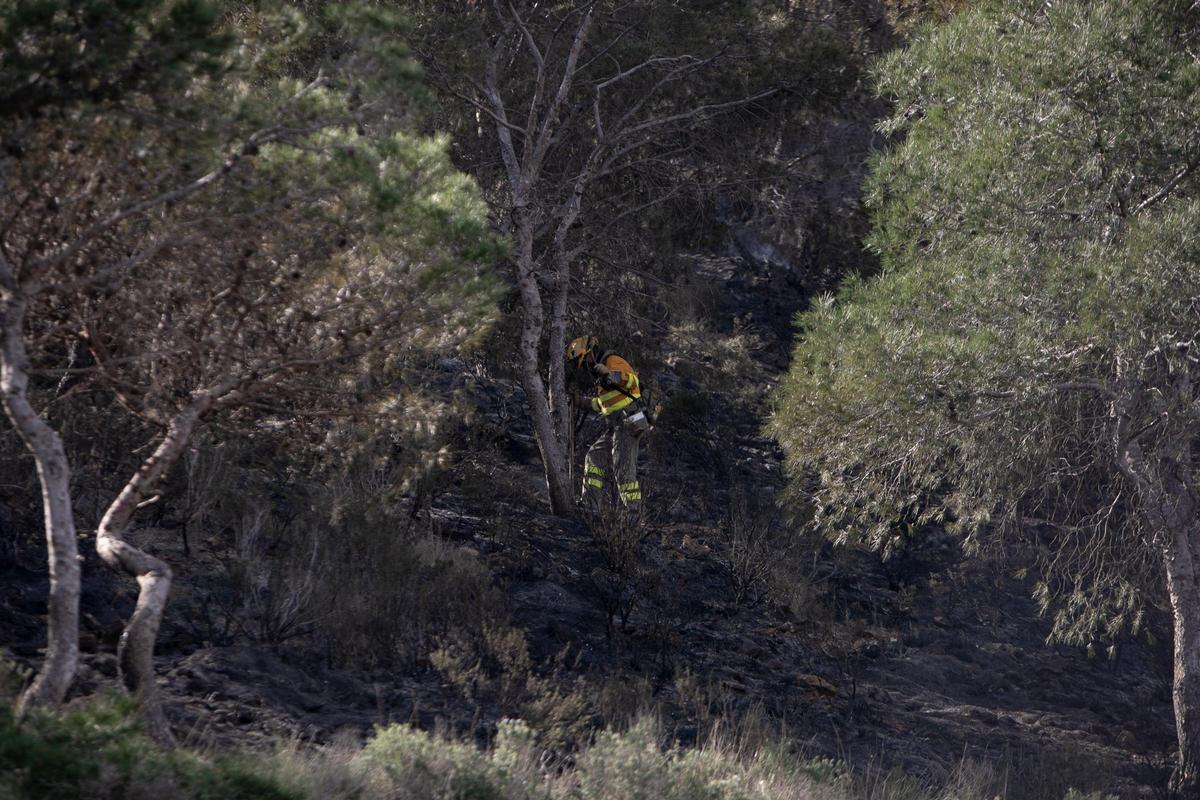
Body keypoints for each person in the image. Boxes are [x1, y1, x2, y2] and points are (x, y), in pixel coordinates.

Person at [565, 335, 650, 512]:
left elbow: (633, 380)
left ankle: (633, 513)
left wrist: (612, 375)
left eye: (584, 361)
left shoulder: (612, 361)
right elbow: (603, 404)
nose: (585, 366)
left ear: (589, 354)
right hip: (617, 425)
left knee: (623, 470)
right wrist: (580, 401)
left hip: (630, 421)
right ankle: (590, 504)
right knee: (594, 456)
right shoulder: (601, 376)